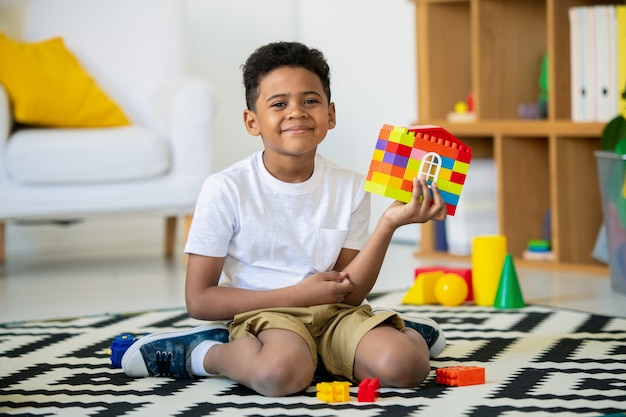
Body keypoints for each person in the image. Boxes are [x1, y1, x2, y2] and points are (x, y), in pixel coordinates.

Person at [121, 41, 447, 397]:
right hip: (266, 314)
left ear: (331, 114)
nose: (297, 112)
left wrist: (389, 223)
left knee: (406, 368)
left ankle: (393, 332)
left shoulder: (351, 186)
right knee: (281, 376)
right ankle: (206, 353)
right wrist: (296, 295)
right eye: (279, 104)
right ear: (252, 121)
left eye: (310, 101)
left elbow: (350, 294)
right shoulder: (225, 188)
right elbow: (199, 301)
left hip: (336, 313)